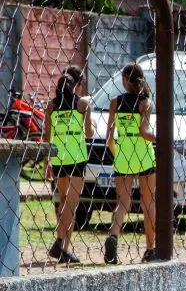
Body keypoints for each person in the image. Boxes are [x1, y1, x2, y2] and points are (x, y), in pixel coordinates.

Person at [104, 63, 156, 264]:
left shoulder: (115, 102)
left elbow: (109, 137)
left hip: (123, 157)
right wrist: (161, 140)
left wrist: (118, 154)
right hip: (144, 156)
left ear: (126, 81)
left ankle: (113, 236)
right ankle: (151, 248)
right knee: (148, 202)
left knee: (123, 203)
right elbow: (144, 133)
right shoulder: (145, 103)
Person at [46, 65, 93, 264]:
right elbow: (89, 133)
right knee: (71, 204)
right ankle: (60, 243)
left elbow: (47, 136)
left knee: (64, 201)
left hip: (58, 158)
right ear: (77, 85)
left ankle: (63, 247)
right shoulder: (82, 104)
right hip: (76, 158)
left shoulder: (51, 105)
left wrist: (46, 161)